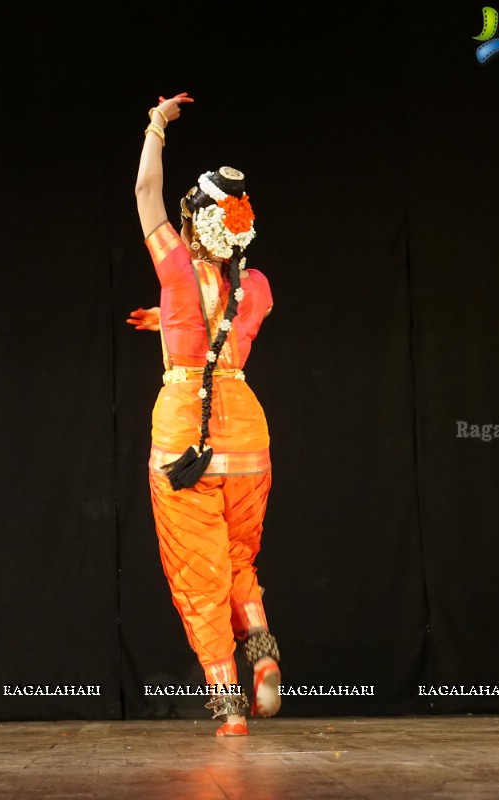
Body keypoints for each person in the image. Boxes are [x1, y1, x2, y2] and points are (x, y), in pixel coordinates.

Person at [131, 92, 281, 737]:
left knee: (200, 573)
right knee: (240, 558)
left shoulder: (174, 272)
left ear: (194, 221)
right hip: (245, 428)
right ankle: (263, 647)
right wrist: (166, 320)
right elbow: (223, 332)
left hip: (184, 430)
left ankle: (230, 709)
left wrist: (157, 124)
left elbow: (144, 189)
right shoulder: (260, 288)